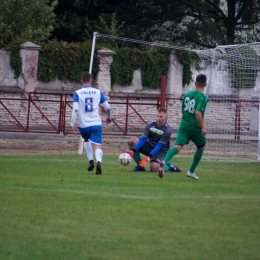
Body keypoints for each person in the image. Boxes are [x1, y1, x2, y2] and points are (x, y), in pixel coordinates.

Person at [158, 74, 208, 180]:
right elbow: (197, 112)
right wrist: (203, 127)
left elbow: (182, 110)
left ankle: (164, 161)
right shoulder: (203, 98)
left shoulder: (187, 94)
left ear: (195, 83)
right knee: (201, 146)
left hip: (183, 125)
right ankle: (191, 171)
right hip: (195, 127)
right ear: (205, 84)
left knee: (178, 146)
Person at [71, 71, 111, 175]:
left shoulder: (77, 93)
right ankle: (98, 162)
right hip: (96, 123)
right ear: (91, 80)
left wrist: (72, 123)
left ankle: (91, 161)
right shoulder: (98, 92)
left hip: (83, 125)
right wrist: (108, 117)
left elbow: (75, 109)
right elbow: (108, 107)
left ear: (81, 81)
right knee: (97, 146)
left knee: (86, 140)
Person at [125, 108, 181, 173]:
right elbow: (143, 139)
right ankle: (140, 166)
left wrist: (148, 158)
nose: (158, 118)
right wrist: (133, 151)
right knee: (132, 142)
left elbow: (159, 146)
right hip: (149, 146)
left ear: (166, 117)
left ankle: (168, 166)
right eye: (157, 116)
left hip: (160, 150)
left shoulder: (167, 130)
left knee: (153, 168)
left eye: (161, 116)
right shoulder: (150, 125)